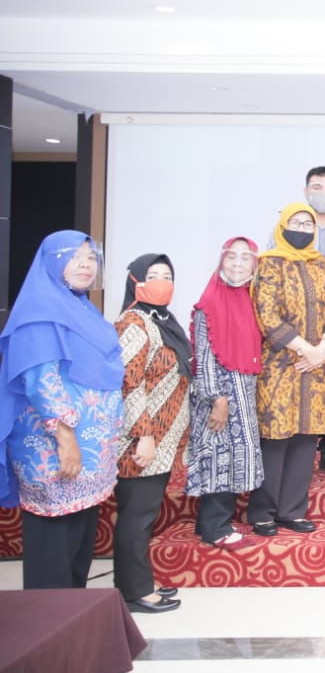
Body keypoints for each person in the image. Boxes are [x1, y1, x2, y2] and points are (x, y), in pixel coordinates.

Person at [0, 232, 124, 590]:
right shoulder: (40, 311)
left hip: (89, 453)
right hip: (55, 449)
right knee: (54, 550)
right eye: (74, 256)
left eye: (90, 257)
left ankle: (72, 616)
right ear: (53, 262)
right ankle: (49, 619)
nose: (85, 264)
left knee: (78, 548)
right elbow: (42, 379)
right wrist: (66, 438)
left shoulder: (81, 307)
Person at [250, 203, 325, 536]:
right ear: (282, 225)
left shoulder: (321, 264)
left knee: (306, 439)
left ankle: (292, 510)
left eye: (308, 224)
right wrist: (305, 348)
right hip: (281, 365)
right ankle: (263, 511)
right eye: (296, 222)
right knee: (276, 439)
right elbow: (266, 314)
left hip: (317, 366)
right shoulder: (269, 263)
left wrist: (323, 348)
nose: (302, 228)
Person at [113, 253, 192, 613]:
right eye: (153, 275)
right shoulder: (134, 323)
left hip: (162, 437)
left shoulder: (160, 320)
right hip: (142, 439)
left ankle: (139, 580)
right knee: (137, 515)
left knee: (144, 513)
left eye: (167, 276)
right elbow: (129, 382)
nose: (162, 282)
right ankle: (134, 592)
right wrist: (143, 435)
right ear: (135, 282)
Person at [186, 237, 264, 552]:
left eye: (246, 258)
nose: (238, 264)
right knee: (218, 458)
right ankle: (215, 528)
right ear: (221, 261)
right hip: (219, 395)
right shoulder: (209, 303)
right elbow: (203, 357)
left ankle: (213, 521)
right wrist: (216, 399)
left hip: (243, 391)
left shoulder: (248, 299)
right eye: (232, 257)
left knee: (234, 458)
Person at [266, 166, 325, 475]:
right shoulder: (274, 252)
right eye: (317, 187)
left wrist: (322, 347)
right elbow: (268, 308)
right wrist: (305, 349)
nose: (323, 193)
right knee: (283, 417)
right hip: (287, 349)